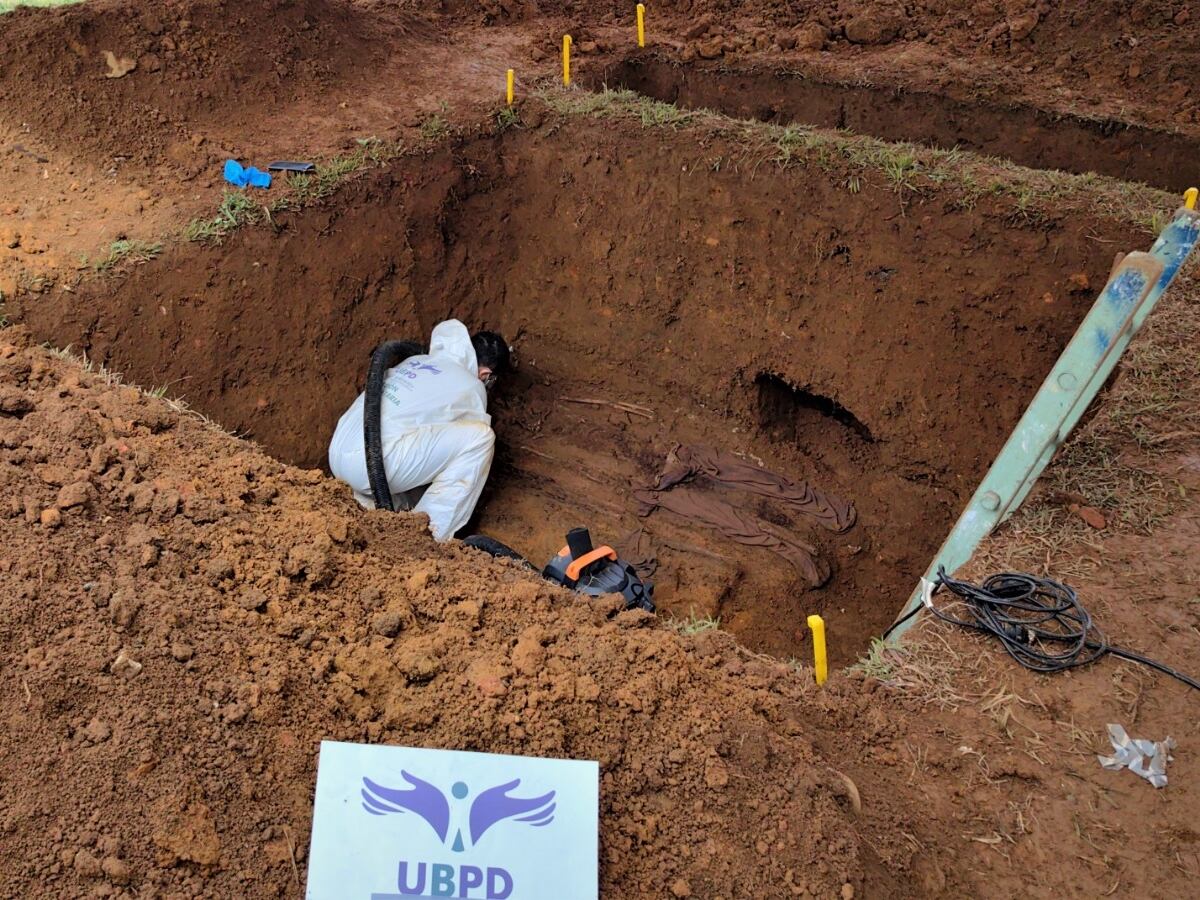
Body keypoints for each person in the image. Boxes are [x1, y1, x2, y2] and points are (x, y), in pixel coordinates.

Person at [328, 319, 509, 541]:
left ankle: (371, 510)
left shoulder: (417, 360)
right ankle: (426, 537)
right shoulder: (472, 386)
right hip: (372, 466)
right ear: (485, 374)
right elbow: (461, 456)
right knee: (480, 439)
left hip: (338, 457)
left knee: (408, 441)